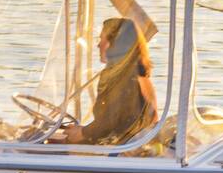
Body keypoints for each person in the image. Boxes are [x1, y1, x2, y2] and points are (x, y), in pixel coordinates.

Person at [60, 17, 157, 145]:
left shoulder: (124, 79)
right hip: (130, 146)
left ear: (117, 44)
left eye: (102, 39)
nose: (98, 44)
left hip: (120, 152)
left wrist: (83, 133)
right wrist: (82, 131)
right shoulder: (138, 75)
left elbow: (108, 123)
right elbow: (113, 123)